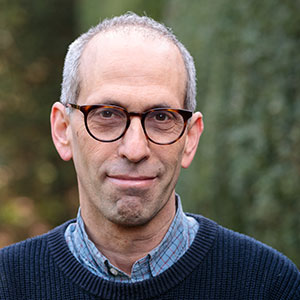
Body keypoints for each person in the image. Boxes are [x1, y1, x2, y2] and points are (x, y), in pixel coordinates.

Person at [0, 12, 299, 300]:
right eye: (107, 114)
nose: (135, 149)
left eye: (161, 117)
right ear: (63, 130)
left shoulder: (268, 285)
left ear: (190, 137)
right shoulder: (8, 284)